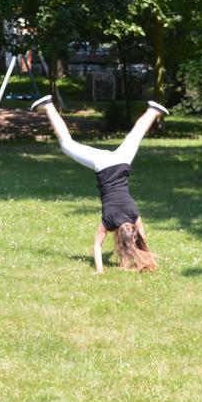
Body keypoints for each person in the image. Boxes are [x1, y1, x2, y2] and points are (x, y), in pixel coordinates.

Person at [32, 95, 168, 274]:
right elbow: (97, 245)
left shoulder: (134, 215)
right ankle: (48, 106)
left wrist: (145, 254)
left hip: (122, 162)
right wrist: (100, 271)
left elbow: (143, 237)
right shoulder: (109, 220)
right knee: (67, 144)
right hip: (103, 164)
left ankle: (154, 111)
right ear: (117, 238)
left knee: (135, 135)